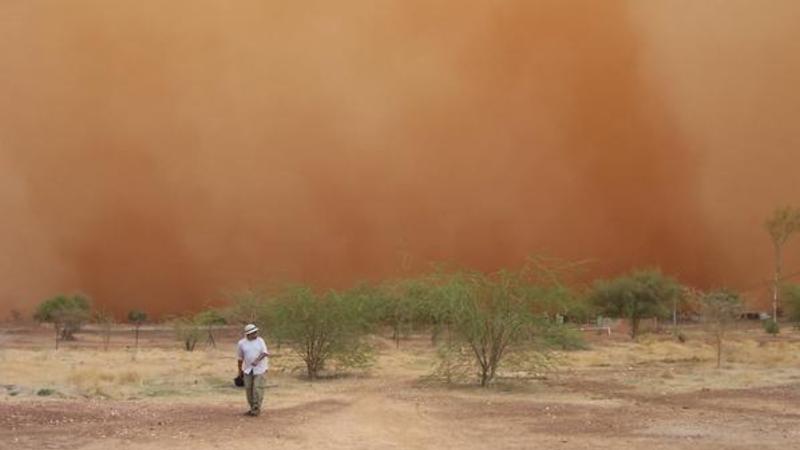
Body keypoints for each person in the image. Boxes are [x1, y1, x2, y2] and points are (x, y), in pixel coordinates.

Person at [236, 324, 270, 416]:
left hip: (260, 369)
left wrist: (257, 360)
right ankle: (252, 408)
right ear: (248, 334)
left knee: (257, 388)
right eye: (253, 333)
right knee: (248, 389)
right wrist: (240, 371)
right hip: (248, 369)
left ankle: (256, 408)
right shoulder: (241, 343)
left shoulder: (260, 341)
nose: (255, 334)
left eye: (256, 332)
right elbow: (240, 358)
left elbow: (265, 353)